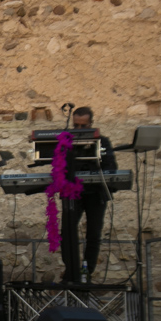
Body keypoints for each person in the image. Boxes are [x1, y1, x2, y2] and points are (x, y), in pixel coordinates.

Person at [62, 106, 117, 281]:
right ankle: (71, 270)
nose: (79, 130)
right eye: (76, 126)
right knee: (67, 232)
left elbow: (111, 168)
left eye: (83, 126)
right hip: (73, 193)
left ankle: (87, 271)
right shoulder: (67, 142)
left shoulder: (102, 142)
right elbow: (58, 165)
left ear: (91, 124)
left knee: (93, 234)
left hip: (95, 193)